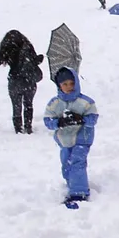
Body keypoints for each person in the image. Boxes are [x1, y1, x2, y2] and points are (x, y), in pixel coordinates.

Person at [42, 66, 98, 205]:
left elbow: (93, 119)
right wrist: (59, 122)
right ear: (59, 85)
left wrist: (81, 119)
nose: (69, 87)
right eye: (65, 84)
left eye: (72, 83)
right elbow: (48, 121)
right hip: (64, 141)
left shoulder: (86, 102)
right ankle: (72, 185)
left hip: (82, 138)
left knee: (77, 163)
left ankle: (79, 193)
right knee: (66, 164)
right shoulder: (54, 103)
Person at [0, 30, 44, 133]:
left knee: (16, 106)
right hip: (28, 81)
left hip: (15, 81)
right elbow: (35, 62)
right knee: (28, 105)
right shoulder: (27, 47)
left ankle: (18, 129)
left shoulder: (7, 49)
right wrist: (40, 58)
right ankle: (28, 126)